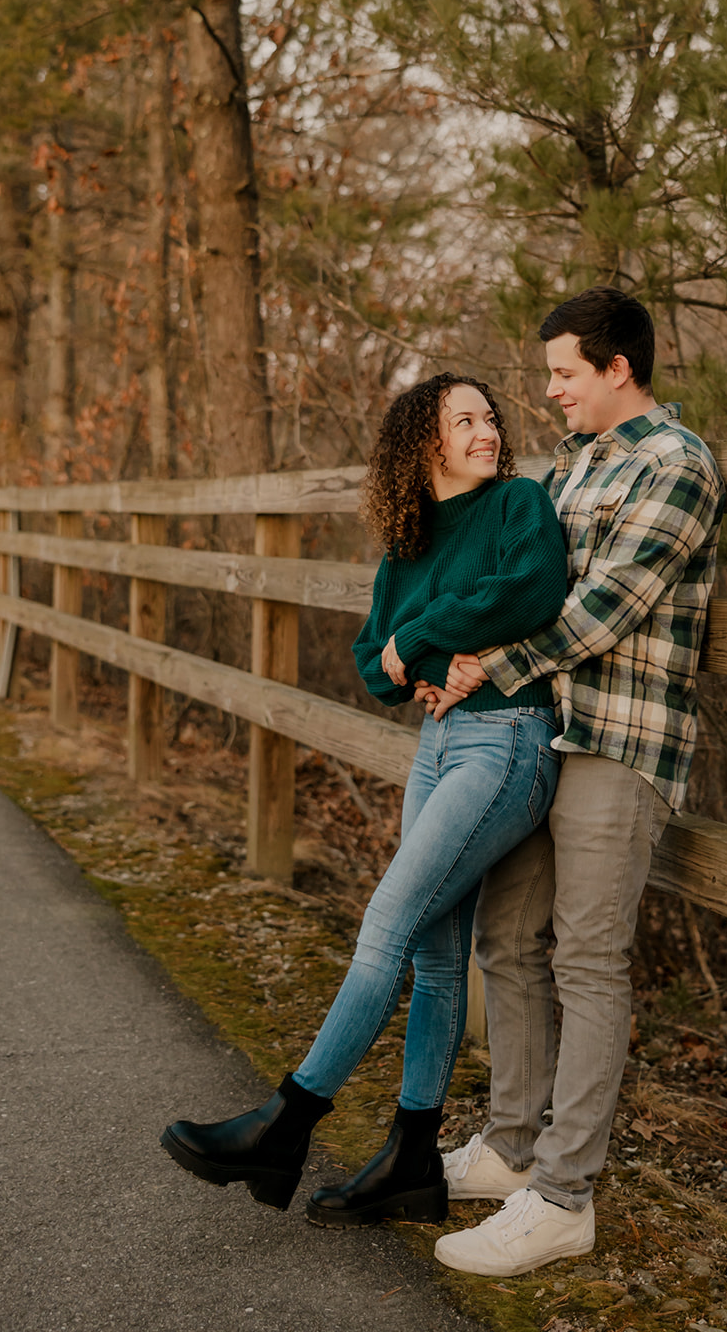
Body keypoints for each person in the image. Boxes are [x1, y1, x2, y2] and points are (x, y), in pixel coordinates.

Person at [160, 373, 568, 1227]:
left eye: (489, 418)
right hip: (439, 745)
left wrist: (419, 641)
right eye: (464, 421)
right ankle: (412, 1162)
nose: (486, 432)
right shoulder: (408, 544)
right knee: (432, 954)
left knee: (386, 924)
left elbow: (527, 591)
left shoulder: (519, 506)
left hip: (507, 742)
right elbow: (365, 663)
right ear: (426, 444)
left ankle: (288, 1120)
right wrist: (427, 659)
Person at [428, 287, 726, 1277]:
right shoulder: (570, 467)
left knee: (587, 958)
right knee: (507, 935)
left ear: (616, 369)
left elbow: (602, 613)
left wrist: (487, 666)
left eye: (562, 371)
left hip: (618, 740)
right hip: (538, 735)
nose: (547, 390)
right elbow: (521, 579)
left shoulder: (677, 468)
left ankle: (563, 1198)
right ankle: (511, 1150)